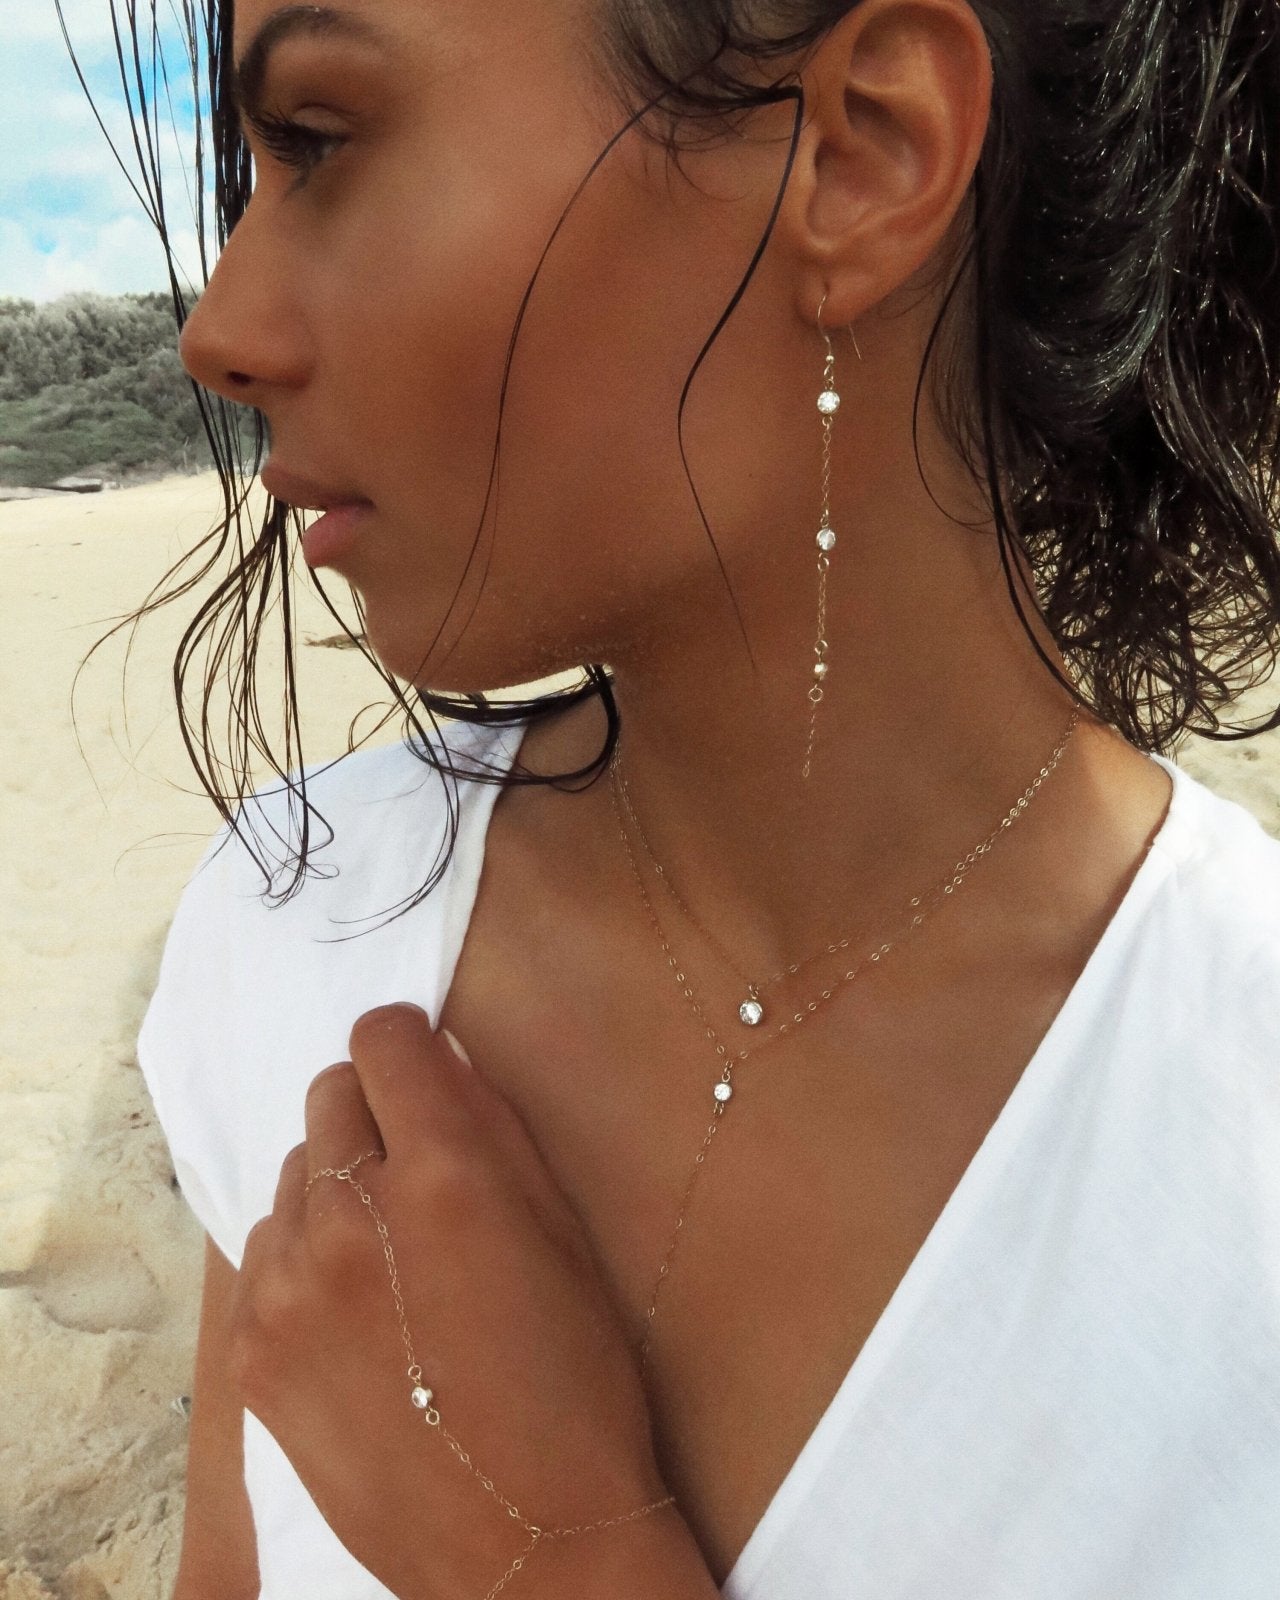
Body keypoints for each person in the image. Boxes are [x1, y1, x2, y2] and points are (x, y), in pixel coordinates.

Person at [78, 0, 1280, 1595]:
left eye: (317, 141)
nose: (218, 329)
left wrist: (553, 1563)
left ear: (861, 152)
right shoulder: (297, 920)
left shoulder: (1241, 1156)